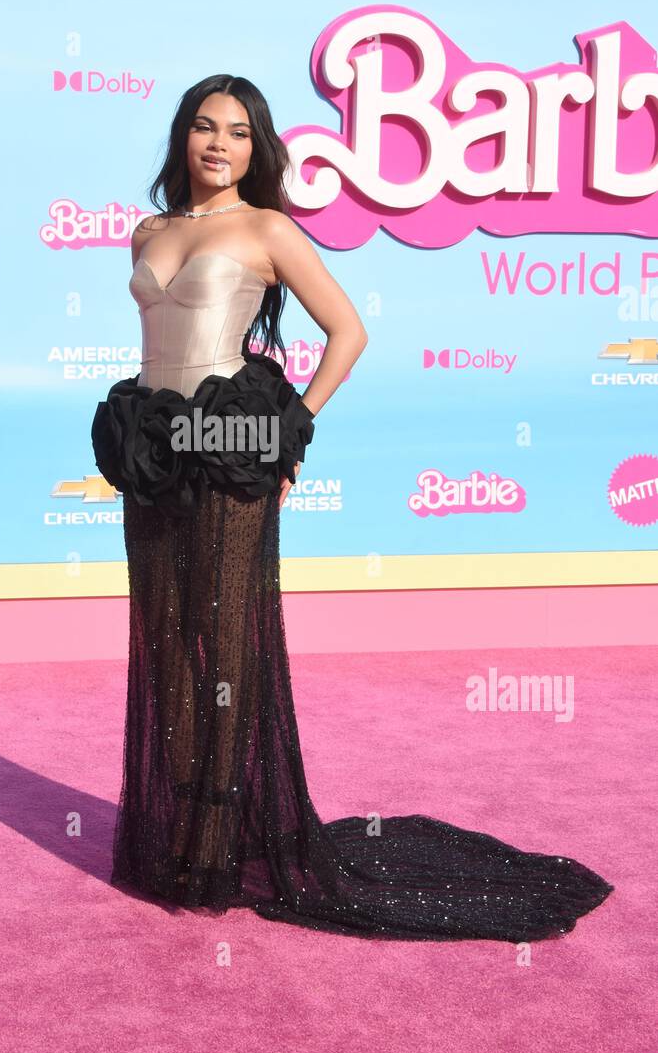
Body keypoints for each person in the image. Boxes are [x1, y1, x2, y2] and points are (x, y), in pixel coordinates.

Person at [91, 74, 614, 941]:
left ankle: (217, 840)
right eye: (204, 129)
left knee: (223, 647)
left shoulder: (267, 229)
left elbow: (349, 332)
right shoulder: (148, 231)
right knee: (164, 639)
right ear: (183, 138)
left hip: (230, 454)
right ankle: (176, 831)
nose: (219, 145)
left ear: (256, 150)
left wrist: (290, 431)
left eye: (239, 134)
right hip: (153, 449)